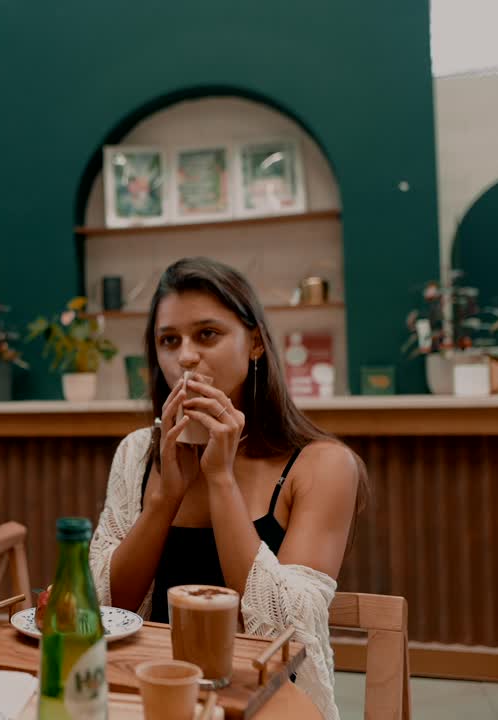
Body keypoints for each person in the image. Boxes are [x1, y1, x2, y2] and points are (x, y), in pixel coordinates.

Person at [89, 257, 367, 720]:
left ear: (255, 343)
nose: (186, 357)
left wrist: (220, 480)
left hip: (268, 703)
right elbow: (105, 608)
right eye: (169, 340)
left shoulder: (322, 464)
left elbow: (288, 633)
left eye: (207, 334)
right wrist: (164, 498)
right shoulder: (138, 452)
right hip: (153, 692)